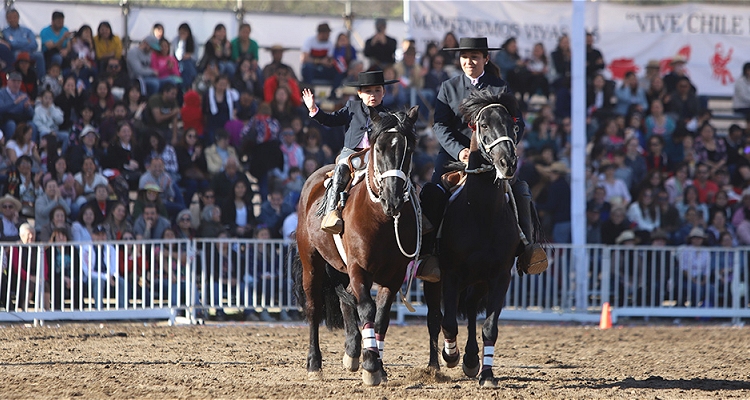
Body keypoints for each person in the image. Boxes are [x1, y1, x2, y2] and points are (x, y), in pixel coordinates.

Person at [422, 37, 547, 278]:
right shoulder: (448, 87)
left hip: (492, 158)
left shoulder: (500, 87)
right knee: (434, 191)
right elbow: (440, 125)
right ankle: (430, 255)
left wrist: (503, 147)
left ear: (485, 59)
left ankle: (527, 249)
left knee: (520, 190)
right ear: (460, 60)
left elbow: (516, 122)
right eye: (465, 57)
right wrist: (461, 151)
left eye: (475, 57)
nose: (469, 61)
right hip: (454, 155)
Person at [302, 70, 398, 234]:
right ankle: (332, 212)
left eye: (377, 90)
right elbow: (331, 120)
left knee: (397, 174)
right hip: (352, 154)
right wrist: (314, 109)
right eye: (368, 91)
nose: (373, 95)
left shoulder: (389, 116)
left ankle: (411, 212)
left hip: (377, 156)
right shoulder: (351, 107)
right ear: (360, 93)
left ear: (384, 92)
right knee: (341, 170)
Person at [3, 9, 45, 78]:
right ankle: (18, 77)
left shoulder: (27, 30)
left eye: (14, 17)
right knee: (17, 55)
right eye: (10, 18)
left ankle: (41, 80)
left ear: (18, 18)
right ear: (7, 19)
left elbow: (34, 44)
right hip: (15, 53)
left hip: (29, 52)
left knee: (39, 55)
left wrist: (22, 46)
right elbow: (13, 44)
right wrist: (26, 41)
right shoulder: (5, 31)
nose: (12, 19)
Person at [0, 71, 35, 142]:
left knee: (32, 125)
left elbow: (32, 114)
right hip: (5, 120)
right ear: (8, 82)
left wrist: (27, 107)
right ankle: (10, 148)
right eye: (13, 81)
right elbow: (1, 108)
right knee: (11, 124)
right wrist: (14, 103)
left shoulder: (23, 95)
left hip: (20, 119)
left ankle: (31, 148)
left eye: (18, 82)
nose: (16, 84)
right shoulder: (2, 93)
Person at [172, 23, 197, 91]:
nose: (182, 34)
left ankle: (185, 87)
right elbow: (178, 56)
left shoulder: (193, 39)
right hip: (178, 63)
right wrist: (182, 41)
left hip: (190, 62)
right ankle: (187, 87)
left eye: (184, 33)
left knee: (187, 65)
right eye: (181, 33)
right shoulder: (176, 40)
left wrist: (189, 56)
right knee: (185, 66)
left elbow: (196, 57)